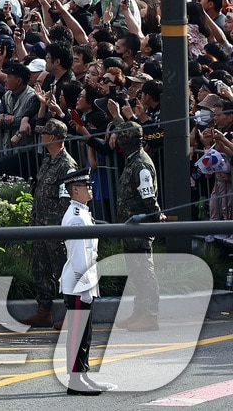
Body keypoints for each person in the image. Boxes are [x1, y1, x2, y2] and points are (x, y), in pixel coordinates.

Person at [59, 170, 114, 396]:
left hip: (83, 282)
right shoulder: (75, 216)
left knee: (85, 334)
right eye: (85, 185)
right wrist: (85, 287)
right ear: (75, 190)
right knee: (78, 334)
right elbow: (79, 256)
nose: (90, 188)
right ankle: (75, 380)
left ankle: (83, 375)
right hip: (78, 284)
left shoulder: (82, 213)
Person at [19, 119, 78, 329]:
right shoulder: (47, 161)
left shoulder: (67, 166)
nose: (41, 136)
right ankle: (44, 311)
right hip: (41, 227)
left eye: (44, 133)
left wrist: (63, 230)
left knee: (64, 271)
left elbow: (67, 201)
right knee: (41, 270)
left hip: (57, 229)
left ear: (53, 137)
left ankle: (73, 314)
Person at [112, 118, 162, 330]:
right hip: (130, 227)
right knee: (136, 272)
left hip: (140, 228)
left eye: (121, 136)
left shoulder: (140, 164)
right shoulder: (133, 160)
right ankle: (139, 311)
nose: (118, 140)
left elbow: (148, 199)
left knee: (144, 271)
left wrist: (155, 217)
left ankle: (150, 316)